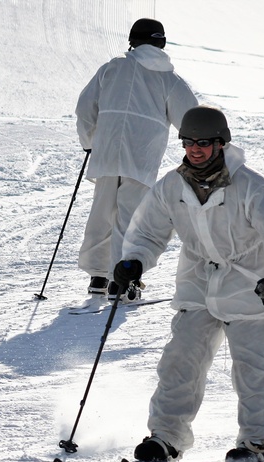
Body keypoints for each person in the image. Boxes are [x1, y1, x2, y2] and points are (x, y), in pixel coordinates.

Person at [113, 105, 264, 462]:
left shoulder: (253, 187)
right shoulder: (173, 186)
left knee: (253, 367)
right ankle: (166, 437)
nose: (195, 149)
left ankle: (257, 444)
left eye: (204, 142)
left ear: (221, 143)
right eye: (188, 142)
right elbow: (148, 230)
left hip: (251, 284)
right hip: (198, 281)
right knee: (180, 360)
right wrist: (135, 260)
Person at [75, 18, 198, 301]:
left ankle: (98, 276)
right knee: (130, 218)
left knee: (102, 213)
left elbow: (85, 108)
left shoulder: (112, 68)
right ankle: (122, 282)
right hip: (141, 158)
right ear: (161, 43)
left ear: (132, 40)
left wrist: (89, 142)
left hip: (106, 154)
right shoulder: (170, 80)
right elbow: (191, 120)